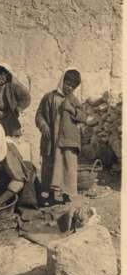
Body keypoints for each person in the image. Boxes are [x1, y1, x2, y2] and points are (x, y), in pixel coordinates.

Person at [35, 69, 89, 205]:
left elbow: (83, 117)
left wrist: (72, 110)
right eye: (67, 83)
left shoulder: (74, 100)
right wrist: (44, 126)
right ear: (62, 80)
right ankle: (51, 196)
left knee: (68, 168)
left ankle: (66, 195)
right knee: (51, 167)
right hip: (51, 140)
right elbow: (39, 114)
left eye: (72, 85)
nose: (69, 87)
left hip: (68, 141)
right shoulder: (49, 97)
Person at [0, 62, 31, 137]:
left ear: (7, 75)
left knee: (10, 140)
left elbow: (26, 97)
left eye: (2, 74)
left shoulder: (12, 87)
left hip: (10, 118)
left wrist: (19, 108)